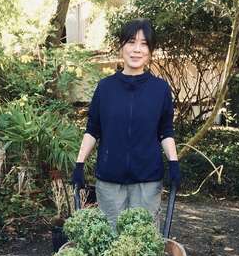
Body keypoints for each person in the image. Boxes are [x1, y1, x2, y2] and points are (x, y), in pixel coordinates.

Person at [72, 18, 181, 230]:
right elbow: (93, 129)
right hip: (109, 181)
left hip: (147, 181)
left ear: (150, 51)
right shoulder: (105, 88)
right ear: (121, 46)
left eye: (144, 44)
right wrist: (79, 164)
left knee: (143, 242)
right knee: (112, 241)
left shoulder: (160, 90)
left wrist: (174, 163)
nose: (137, 49)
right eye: (131, 42)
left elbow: (166, 131)